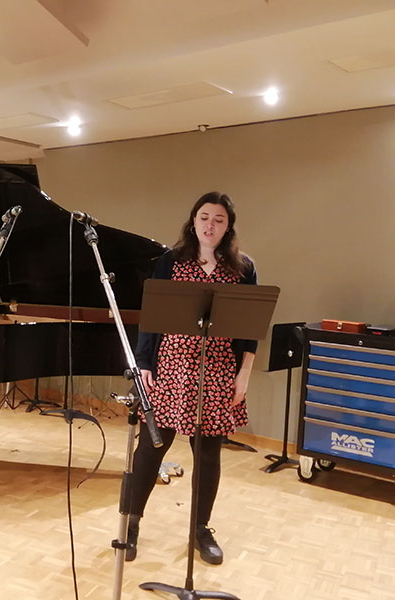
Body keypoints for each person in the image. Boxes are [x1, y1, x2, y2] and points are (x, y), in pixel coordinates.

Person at [126, 192, 258, 565]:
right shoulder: (170, 262)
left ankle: (200, 529)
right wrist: (144, 363)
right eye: (204, 217)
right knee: (151, 447)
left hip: (219, 369)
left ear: (228, 226)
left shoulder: (243, 268)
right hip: (171, 365)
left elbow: (249, 329)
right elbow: (153, 317)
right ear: (193, 221)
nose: (210, 225)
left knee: (209, 452)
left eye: (218, 219)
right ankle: (131, 523)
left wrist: (244, 374)